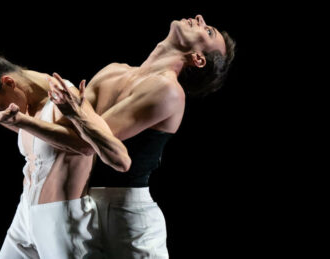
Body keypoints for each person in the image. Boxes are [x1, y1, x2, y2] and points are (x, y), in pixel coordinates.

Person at [39, 14, 236, 258]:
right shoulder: (114, 70)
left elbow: (82, 140)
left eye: (208, 32)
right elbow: (68, 130)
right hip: (88, 201)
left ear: (197, 58)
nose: (200, 18)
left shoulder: (169, 91)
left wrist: (26, 119)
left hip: (129, 215)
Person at [0, 52, 130, 258]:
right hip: (26, 214)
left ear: (9, 82)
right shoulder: (24, 100)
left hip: (60, 220)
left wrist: (22, 121)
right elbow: (26, 127)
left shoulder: (63, 97)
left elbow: (87, 147)